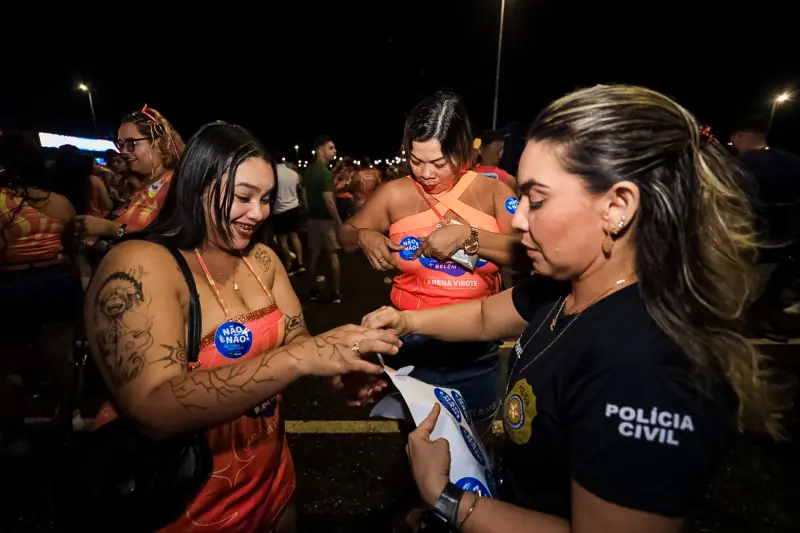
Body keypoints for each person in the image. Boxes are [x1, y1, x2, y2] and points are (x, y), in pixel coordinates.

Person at [360, 85, 781, 532]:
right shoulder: (569, 284)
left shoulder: (645, 369)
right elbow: (485, 317)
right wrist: (403, 320)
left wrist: (445, 498)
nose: (518, 220)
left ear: (618, 207)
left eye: (536, 200)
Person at [84, 122, 400, 532]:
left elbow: (296, 338)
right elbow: (153, 408)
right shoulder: (141, 266)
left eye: (266, 199)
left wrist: (338, 377)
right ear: (197, 187)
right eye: (243, 197)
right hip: (183, 501)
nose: (259, 213)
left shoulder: (262, 259)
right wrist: (300, 358)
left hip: (270, 480)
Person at [339, 92, 520, 428]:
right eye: (415, 160)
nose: (426, 173)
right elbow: (346, 234)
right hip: (410, 347)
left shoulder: (492, 192)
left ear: (464, 149)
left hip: (475, 351)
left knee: (473, 454)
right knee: (419, 444)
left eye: (440, 162)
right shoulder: (395, 193)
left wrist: (471, 238)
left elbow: (526, 252)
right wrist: (366, 235)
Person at [0, 133, 83, 456]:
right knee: (62, 355)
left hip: (9, 282)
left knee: (8, 362)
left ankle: (16, 433)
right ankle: (67, 417)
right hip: (56, 278)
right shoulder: (59, 202)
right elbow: (73, 246)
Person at [731, 115, 800, 338]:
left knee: (748, 291)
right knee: (774, 288)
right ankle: (767, 321)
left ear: (740, 136)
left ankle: (750, 327)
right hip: (791, 239)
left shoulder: (739, 166)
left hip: (754, 241)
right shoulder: (792, 161)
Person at [77, 105, 184, 240]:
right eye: (120, 144)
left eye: (131, 143)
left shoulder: (173, 183)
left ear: (157, 142)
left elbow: (172, 236)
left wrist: (109, 228)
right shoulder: (144, 182)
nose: (123, 151)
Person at [303, 135, 342, 303]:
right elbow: (328, 200)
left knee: (314, 254)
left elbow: (303, 193)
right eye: (331, 148)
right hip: (326, 220)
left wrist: (309, 209)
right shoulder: (325, 174)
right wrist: (339, 222)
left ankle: (313, 289)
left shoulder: (309, 170)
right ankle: (335, 292)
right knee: (333, 255)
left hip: (312, 219)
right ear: (320, 150)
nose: (334, 151)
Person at [272, 157, 306, 274]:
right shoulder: (293, 174)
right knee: (295, 237)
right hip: (294, 208)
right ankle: (300, 263)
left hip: (280, 210)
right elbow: (299, 187)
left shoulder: (274, 175)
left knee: (282, 241)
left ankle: (288, 264)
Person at [473, 129, 518, 194]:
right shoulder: (509, 180)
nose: (501, 154)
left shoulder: (465, 176)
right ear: (480, 150)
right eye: (499, 150)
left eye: (502, 149)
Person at [333, 157, 356, 221]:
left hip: (348, 198)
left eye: (346, 165)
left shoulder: (353, 173)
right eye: (344, 166)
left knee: (348, 219)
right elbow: (334, 186)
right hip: (340, 199)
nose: (345, 168)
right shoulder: (339, 174)